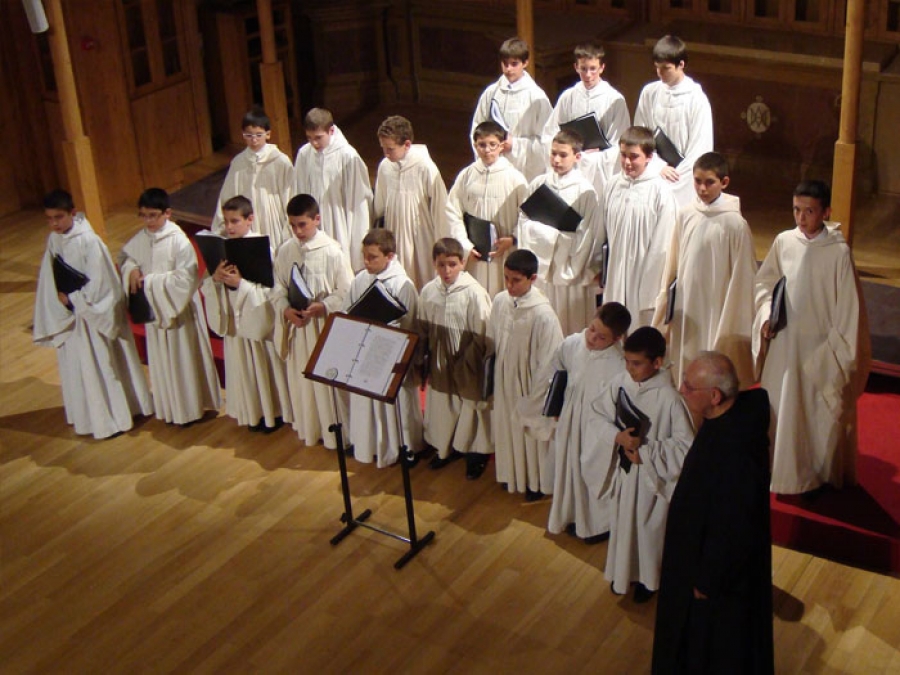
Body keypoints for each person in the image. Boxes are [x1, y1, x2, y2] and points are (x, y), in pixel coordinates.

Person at [653, 352, 774, 675]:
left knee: (710, 650)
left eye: (690, 386)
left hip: (714, 578)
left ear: (715, 396)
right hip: (695, 557)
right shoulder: (726, 421)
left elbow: (733, 525)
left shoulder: (736, 452)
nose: (681, 390)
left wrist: (706, 581)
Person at [753, 180, 870, 495]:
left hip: (819, 349)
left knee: (813, 411)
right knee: (780, 407)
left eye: (809, 211)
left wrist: (837, 353)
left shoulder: (838, 252)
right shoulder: (784, 241)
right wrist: (765, 317)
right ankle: (780, 472)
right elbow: (766, 283)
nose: (801, 218)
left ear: (826, 212)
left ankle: (813, 474)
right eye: (796, 210)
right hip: (784, 342)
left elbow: (848, 308)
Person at [33, 189, 153, 438]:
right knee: (80, 367)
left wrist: (75, 299)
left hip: (91, 316)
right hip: (73, 316)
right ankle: (89, 417)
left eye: (58, 217)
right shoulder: (54, 240)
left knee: (101, 364)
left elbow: (103, 285)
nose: (54, 224)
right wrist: (59, 301)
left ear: (72, 213)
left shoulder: (89, 241)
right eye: (49, 219)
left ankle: (116, 417)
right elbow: (48, 278)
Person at [587, 326, 693, 602]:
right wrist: (616, 436)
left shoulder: (670, 399)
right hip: (626, 472)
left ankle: (649, 579)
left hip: (650, 479)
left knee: (648, 530)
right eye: (627, 361)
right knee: (624, 524)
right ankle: (623, 574)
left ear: (657, 363)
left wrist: (645, 452)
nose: (630, 369)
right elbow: (597, 414)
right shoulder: (622, 382)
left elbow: (685, 448)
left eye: (636, 363)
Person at [652, 152, 756, 389]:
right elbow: (673, 265)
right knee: (684, 366)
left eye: (709, 182)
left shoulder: (735, 224)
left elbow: (743, 277)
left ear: (724, 183)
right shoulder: (686, 214)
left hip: (716, 308)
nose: (702, 188)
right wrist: (666, 302)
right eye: (697, 181)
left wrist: (731, 324)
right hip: (686, 308)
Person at [119, 188, 221, 425]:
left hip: (178, 313)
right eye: (143, 215)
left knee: (182, 360)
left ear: (168, 213)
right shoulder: (142, 237)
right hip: (156, 313)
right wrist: (131, 269)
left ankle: (190, 409)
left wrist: (150, 282)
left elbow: (186, 280)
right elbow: (127, 258)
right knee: (162, 363)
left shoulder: (179, 241)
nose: (148, 221)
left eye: (153, 215)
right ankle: (169, 408)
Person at [541, 302, 631, 542]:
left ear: (617, 338)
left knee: (592, 473)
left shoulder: (620, 365)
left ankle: (596, 525)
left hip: (597, 430)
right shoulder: (573, 344)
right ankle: (571, 515)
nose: (592, 338)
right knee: (570, 469)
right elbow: (557, 367)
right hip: (571, 421)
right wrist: (557, 402)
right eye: (592, 329)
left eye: (601, 337)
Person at [200, 196, 292, 433]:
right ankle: (252, 412)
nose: (229, 227)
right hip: (234, 320)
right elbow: (206, 285)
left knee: (262, 366)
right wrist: (216, 280)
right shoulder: (222, 248)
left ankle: (272, 413)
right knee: (242, 365)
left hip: (256, 320)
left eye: (235, 221)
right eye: (226, 221)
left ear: (249, 219)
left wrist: (242, 284)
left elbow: (272, 291)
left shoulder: (264, 249)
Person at [271, 194, 354, 450]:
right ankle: (312, 428)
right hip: (299, 328)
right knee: (304, 382)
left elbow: (346, 290)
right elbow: (277, 287)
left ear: (317, 219)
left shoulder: (332, 251)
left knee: (327, 384)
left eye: (302, 225)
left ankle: (339, 436)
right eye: (293, 225)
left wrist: (324, 306)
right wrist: (284, 309)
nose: (297, 231)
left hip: (323, 328)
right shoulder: (286, 250)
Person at [487, 249, 563, 499]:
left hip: (530, 383)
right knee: (507, 427)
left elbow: (551, 359)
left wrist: (536, 395)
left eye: (516, 280)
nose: (509, 285)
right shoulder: (500, 301)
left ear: (532, 279)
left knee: (530, 436)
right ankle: (511, 474)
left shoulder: (543, 314)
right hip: (505, 377)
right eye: (506, 278)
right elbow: (494, 339)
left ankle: (537, 482)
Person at [344, 228, 423, 467]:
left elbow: (409, 325)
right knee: (366, 402)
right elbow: (348, 310)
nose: (366, 262)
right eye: (364, 256)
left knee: (399, 404)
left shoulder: (403, 285)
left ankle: (406, 446)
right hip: (364, 350)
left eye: (373, 257)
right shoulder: (360, 280)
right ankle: (370, 444)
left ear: (390, 256)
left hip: (391, 356)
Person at [418, 238, 493, 479]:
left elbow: (482, 332)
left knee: (471, 408)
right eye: (441, 265)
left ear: (463, 262)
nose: (446, 271)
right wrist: (424, 357)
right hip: (441, 359)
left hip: (467, 361)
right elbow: (423, 328)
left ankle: (475, 454)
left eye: (452, 264)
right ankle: (445, 448)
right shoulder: (430, 291)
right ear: (434, 264)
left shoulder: (474, 293)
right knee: (443, 405)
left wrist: (466, 363)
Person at [517, 129, 604, 335]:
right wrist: (546, 236)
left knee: (566, 327)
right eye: (553, 153)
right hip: (541, 270)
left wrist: (568, 265)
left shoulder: (586, 192)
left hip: (568, 271)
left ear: (577, 156)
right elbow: (523, 220)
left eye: (563, 155)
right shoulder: (539, 184)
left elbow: (588, 235)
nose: (556, 159)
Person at [602, 126, 678, 328]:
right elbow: (605, 233)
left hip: (644, 272)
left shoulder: (660, 191)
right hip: (616, 269)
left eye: (634, 157)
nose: (627, 162)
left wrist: (650, 286)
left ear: (649, 157)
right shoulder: (612, 185)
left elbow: (663, 243)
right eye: (623, 155)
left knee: (638, 328)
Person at [446, 121, 528, 297]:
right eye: (482, 145)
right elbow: (452, 211)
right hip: (475, 252)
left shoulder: (515, 178)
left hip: (503, 252)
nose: (487, 150)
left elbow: (526, 215)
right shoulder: (467, 175)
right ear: (475, 145)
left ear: (502, 146)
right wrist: (464, 244)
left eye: (492, 145)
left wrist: (513, 239)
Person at [634, 35, 713, 209]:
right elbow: (640, 135)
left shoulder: (696, 99)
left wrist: (676, 177)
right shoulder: (650, 93)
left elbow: (700, 148)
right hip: (652, 173)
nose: (659, 73)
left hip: (683, 179)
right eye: (657, 67)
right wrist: (657, 166)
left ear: (681, 64)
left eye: (666, 68)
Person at [541, 42, 630, 196]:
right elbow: (550, 133)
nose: (588, 74)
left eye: (593, 68)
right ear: (576, 67)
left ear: (602, 67)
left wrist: (593, 157)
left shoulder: (614, 99)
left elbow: (620, 143)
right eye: (583, 68)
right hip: (571, 167)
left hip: (599, 171)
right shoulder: (568, 97)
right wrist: (568, 153)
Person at [291, 107, 373, 272]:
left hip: (339, 223)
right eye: (309, 138)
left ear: (331, 130)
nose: (314, 143)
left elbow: (359, 203)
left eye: (319, 138)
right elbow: (299, 191)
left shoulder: (348, 157)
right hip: (312, 223)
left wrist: (358, 243)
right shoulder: (304, 154)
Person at [373, 115, 448, 290]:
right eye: (383, 148)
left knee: (421, 280)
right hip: (395, 234)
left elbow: (440, 208)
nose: (386, 153)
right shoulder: (385, 166)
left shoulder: (425, 167)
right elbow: (380, 207)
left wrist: (441, 245)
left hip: (421, 236)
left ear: (407, 144)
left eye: (390, 149)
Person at [470, 37, 552, 182]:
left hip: (522, 171)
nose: (508, 69)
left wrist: (515, 144)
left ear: (525, 63)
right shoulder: (492, 92)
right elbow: (477, 128)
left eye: (514, 64)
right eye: (505, 64)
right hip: (493, 164)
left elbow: (547, 141)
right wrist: (488, 147)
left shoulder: (537, 98)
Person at [213, 107, 294, 249]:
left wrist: (289, 225)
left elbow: (290, 194)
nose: (254, 140)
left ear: (268, 134)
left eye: (258, 135)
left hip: (272, 217)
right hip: (245, 219)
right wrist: (221, 227)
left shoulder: (280, 161)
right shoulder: (239, 162)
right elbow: (227, 197)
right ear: (243, 135)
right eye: (249, 135)